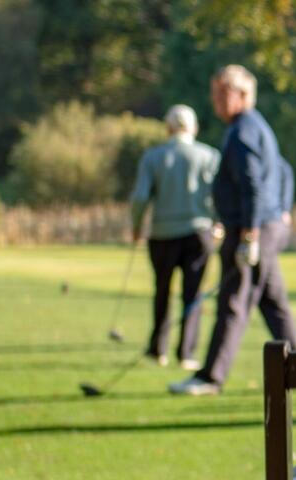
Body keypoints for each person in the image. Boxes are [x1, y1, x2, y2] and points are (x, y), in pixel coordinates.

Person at [170, 65, 296, 395]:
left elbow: (253, 186)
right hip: (260, 227)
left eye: (222, 93)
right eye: (214, 92)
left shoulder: (244, 130)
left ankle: (210, 378)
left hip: (251, 230)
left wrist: (250, 235)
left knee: (233, 302)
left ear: (242, 95)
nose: (215, 99)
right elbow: (282, 170)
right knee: (273, 302)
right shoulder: (249, 126)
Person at [131, 105, 220, 370]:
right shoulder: (209, 156)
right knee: (192, 294)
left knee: (162, 291)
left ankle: (158, 349)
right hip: (198, 234)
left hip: (162, 235)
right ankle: (187, 353)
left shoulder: (153, 157)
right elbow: (218, 195)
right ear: (194, 128)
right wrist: (219, 223)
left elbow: (140, 197)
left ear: (168, 128)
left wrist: (136, 226)